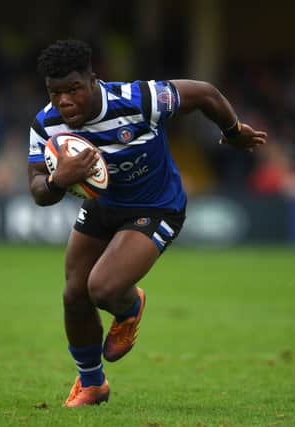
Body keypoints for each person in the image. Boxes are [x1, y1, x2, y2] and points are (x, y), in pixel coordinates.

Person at [27, 39, 267, 407]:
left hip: (157, 206)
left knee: (103, 288)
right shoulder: (47, 125)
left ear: (94, 80)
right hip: (104, 206)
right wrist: (60, 179)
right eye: (55, 92)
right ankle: (92, 384)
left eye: (73, 89)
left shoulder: (140, 100)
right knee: (74, 294)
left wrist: (234, 132)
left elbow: (204, 94)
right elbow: (38, 189)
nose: (64, 101)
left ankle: (129, 307)